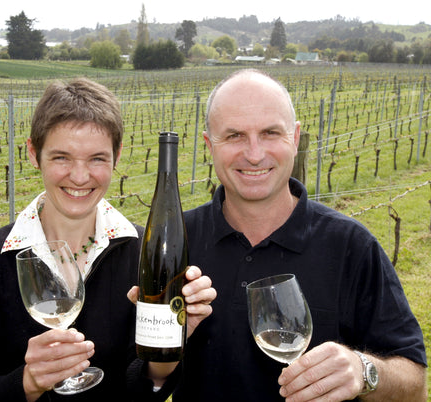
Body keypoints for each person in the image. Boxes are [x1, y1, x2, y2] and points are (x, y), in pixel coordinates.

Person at [172, 69, 428, 401]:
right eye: (234, 135)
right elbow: (139, 375)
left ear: (294, 138)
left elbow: (415, 386)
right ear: (210, 145)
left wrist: (363, 370)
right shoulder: (176, 240)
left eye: (270, 133)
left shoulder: (351, 246)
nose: (253, 153)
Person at [0, 77, 215, 402]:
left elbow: (147, 391)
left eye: (97, 158)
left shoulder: (140, 253)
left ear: (117, 156)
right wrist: (28, 381)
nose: (80, 177)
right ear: (34, 153)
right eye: (61, 157)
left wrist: (173, 343)